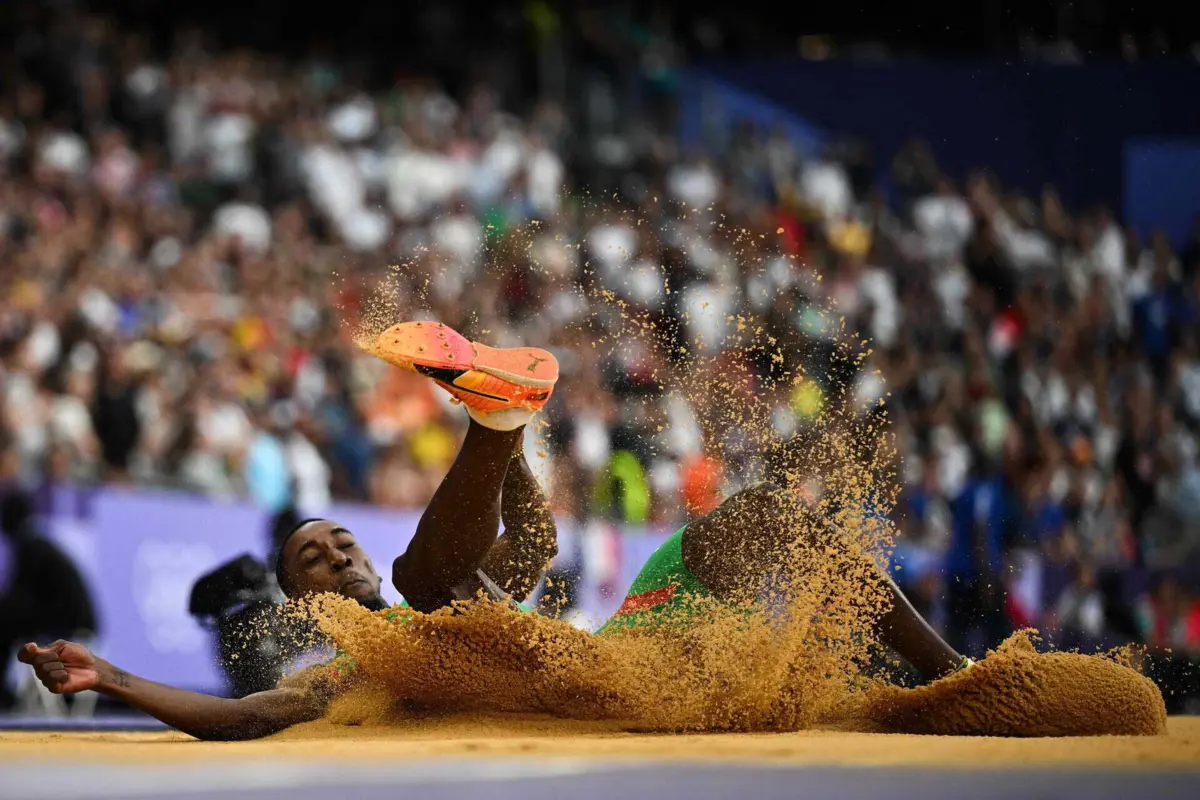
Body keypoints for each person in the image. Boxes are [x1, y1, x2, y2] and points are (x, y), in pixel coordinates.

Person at [20, 322, 970, 738]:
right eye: (314, 556)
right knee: (428, 584)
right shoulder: (347, 675)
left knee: (767, 516)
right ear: (299, 596)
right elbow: (236, 720)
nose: (338, 552)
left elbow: (535, 541)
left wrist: (511, 451)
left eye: (337, 539)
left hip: (625, 653)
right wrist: (111, 677)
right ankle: (495, 414)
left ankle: (961, 683)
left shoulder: (450, 596)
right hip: (608, 697)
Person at [1, 487, 97, 710]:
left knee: (4, 629)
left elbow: (19, 598)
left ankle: (4, 695)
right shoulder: (35, 544)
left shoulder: (30, 547)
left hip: (69, 621)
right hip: (72, 617)